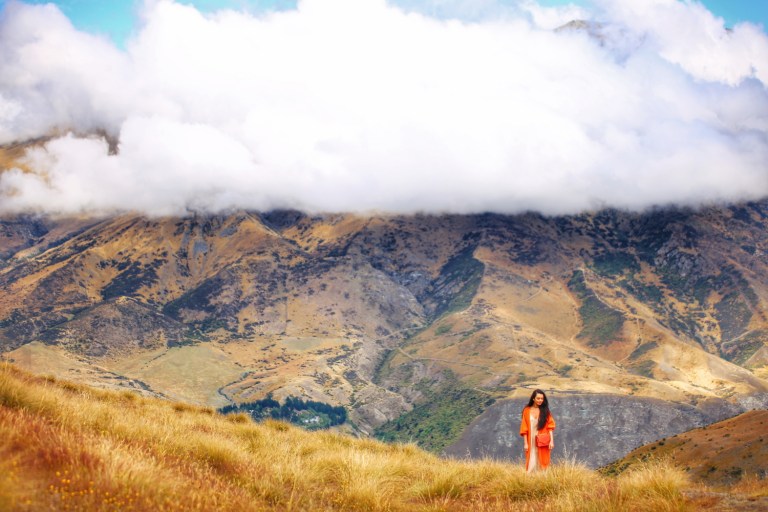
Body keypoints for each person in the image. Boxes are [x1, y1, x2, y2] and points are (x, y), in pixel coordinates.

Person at [519, 389, 555, 472]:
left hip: (542, 439)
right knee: (532, 457)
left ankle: (542, 478)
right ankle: (530, 479)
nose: (540, 400)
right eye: (538, 398)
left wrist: (551, 441)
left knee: (543, 458)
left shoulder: (545, 411)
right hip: (531, 439)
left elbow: (550, 426)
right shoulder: (526, 410)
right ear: (533, 399)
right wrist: (525, 443)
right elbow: (524, 428)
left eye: (542, 399)